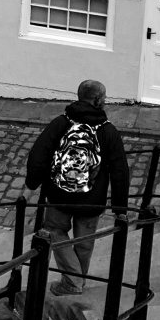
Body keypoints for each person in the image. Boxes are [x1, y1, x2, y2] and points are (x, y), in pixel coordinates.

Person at [24, 79, 132, 296]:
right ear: (99, 100)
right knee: (84, 243)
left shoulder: (61, 123)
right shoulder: (108, 131)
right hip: (91, 200)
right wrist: (120, 209)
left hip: (58, 195)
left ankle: (72, 281)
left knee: (54, 231)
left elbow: (39, 156)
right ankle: (76, 281)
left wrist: (30, 187)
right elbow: (120, 171)